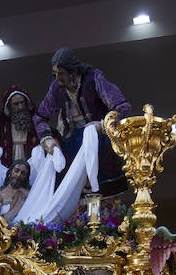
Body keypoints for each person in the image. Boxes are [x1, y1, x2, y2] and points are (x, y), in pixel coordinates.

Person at [34, 47, 132, 195]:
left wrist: (103, 125)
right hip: (71, 142)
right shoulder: (56, 88)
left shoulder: (93, 79)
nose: (57, 78)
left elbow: (123, 108)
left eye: (61, 73)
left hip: (99, 140)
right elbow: (39, 117)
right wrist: (47, 138)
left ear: (73, 71)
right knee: (74, 189)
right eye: (54, 74)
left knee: (102, 188)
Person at [0, 86, 40, 168]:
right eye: (16, 104)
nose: (20, 107)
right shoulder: (2, 124)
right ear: (9, 106)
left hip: (31, 164)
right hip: (9, 164)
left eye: (22, 102)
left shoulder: (36, 121)